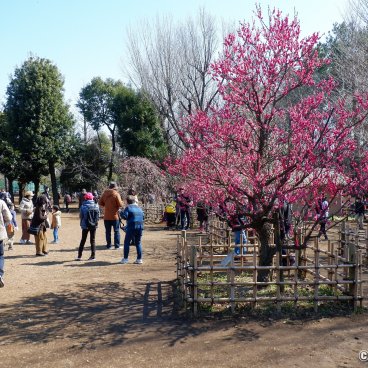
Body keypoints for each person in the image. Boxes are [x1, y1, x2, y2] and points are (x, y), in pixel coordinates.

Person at [120, 195, 144, 264]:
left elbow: (124, 216)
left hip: (132, 227)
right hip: (140, 227)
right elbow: (143, 217)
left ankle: (125, 259)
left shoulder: (128, 208)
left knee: (127, 242)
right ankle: (139, 259)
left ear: (127, 201)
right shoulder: (139, 208)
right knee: (138, 243)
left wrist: (121, 212)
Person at [99, 182, 124, 249]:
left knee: (107, 232)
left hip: (106, 216)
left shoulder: (104, 193)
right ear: (115, 187)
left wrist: (106, 205)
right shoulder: (116, 194)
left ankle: (109, 245)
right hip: (115, 216)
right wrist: (122, 202)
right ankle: (117, 246)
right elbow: (120, 205)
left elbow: (100, 203)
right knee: (116, 231)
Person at [75, 192, 100, 261]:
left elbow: (81, 216)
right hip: (94, 225)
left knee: (83, 240)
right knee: (93, 240)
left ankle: (79, 256)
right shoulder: (96, 205)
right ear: (92, 198)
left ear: (85, 198)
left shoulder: (83, 206)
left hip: (85, 225)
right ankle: (93, 256)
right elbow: (98, 217)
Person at [0, 198, 12, 287]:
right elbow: (8, 216)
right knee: (0, 255)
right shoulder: (1, 202)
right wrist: (6, 223)